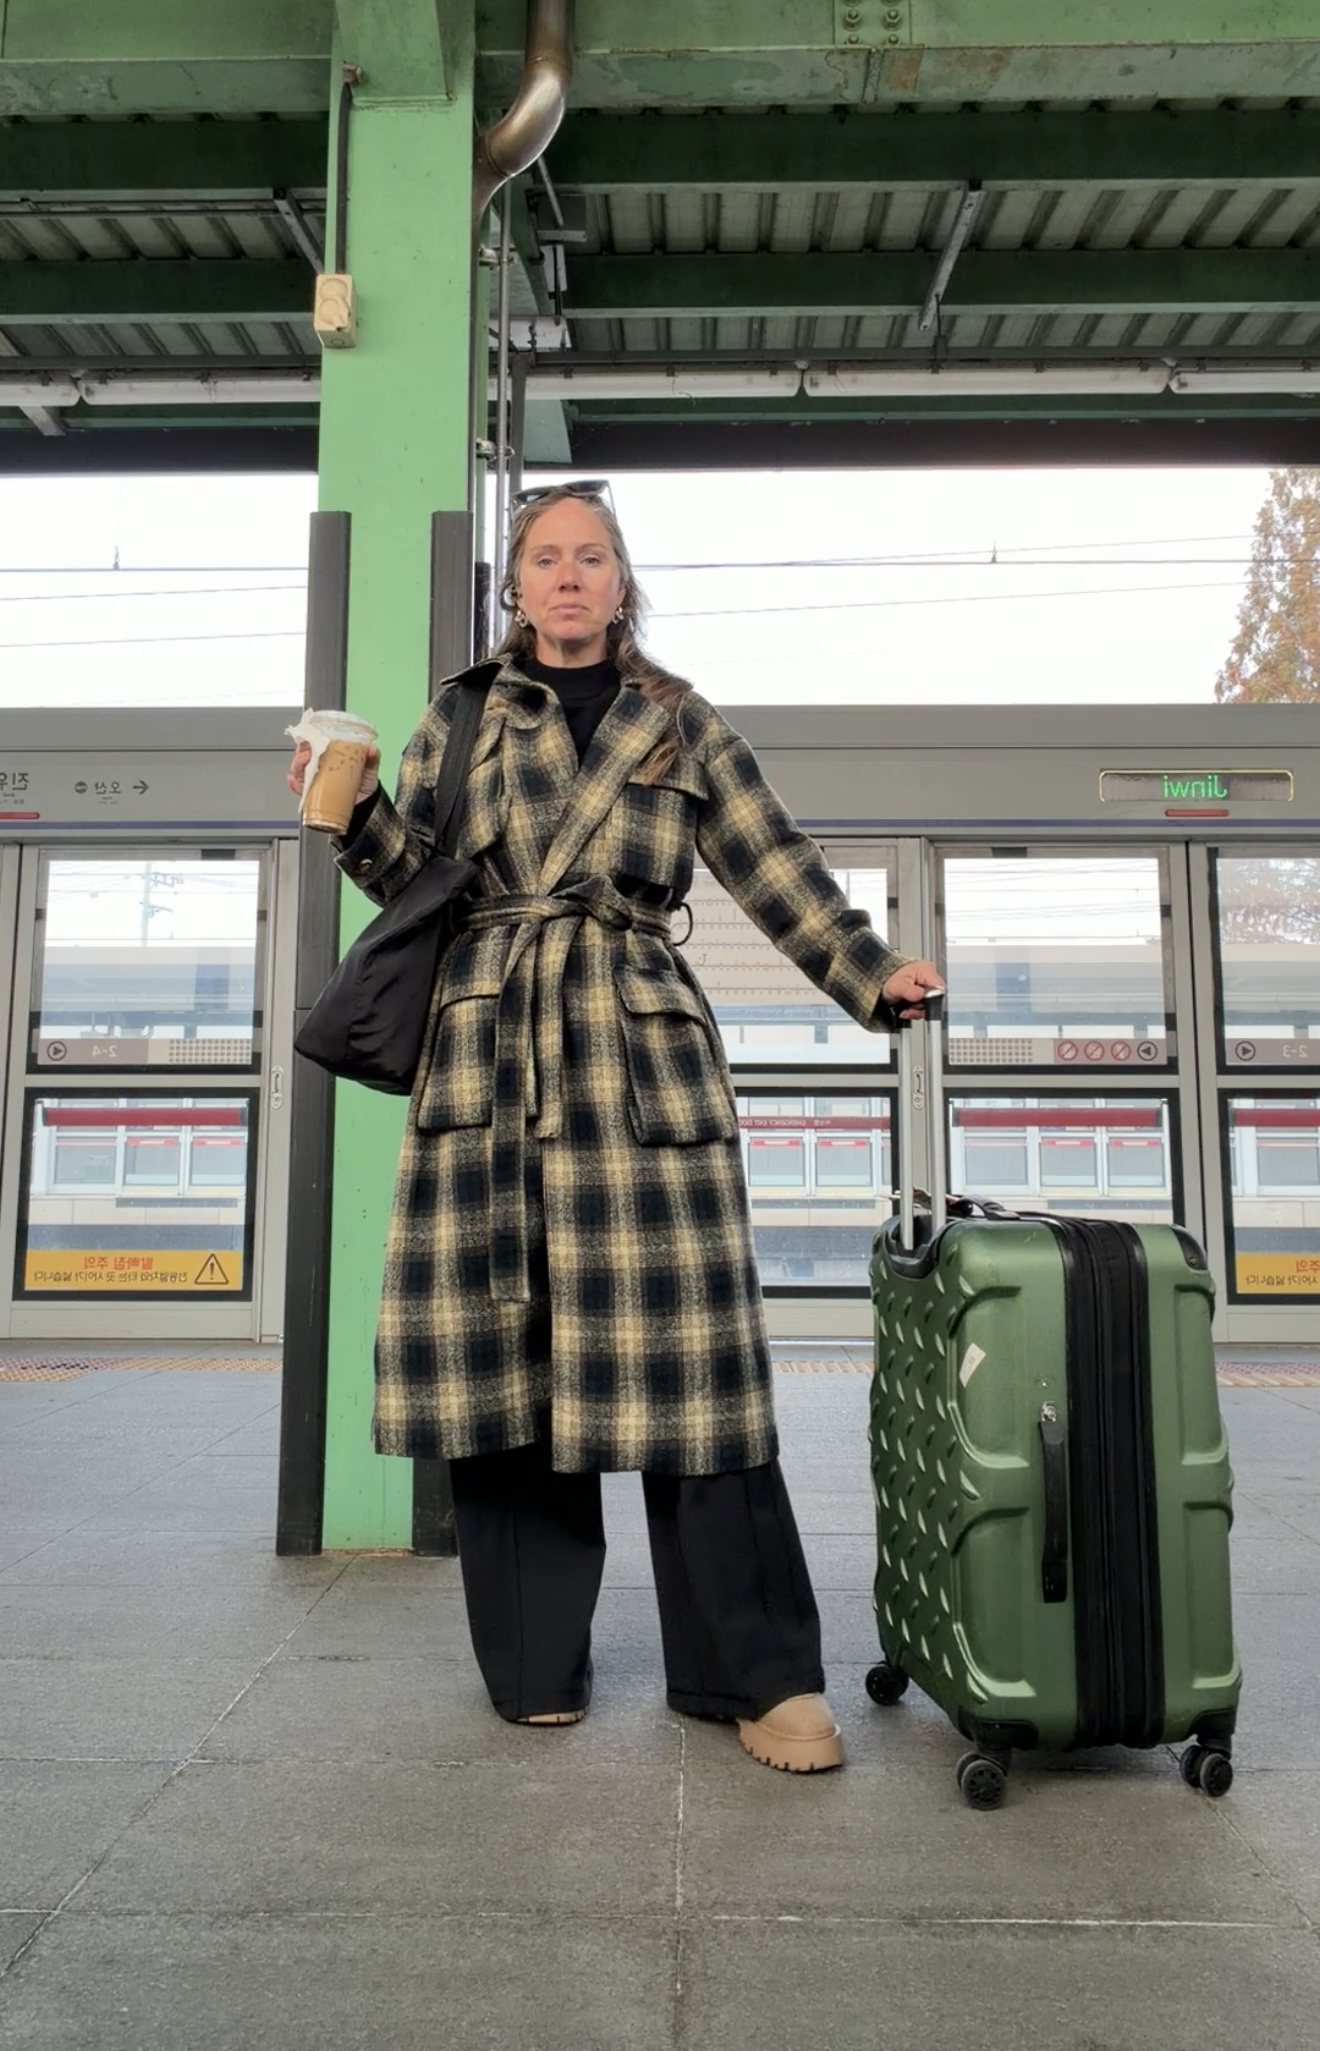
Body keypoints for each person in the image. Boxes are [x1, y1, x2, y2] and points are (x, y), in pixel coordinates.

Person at [287, 482, 942, 1773]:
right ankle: (536, 1661)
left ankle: (754, 1675)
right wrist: (348, 812)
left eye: (592, 555)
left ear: (621, 580)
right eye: (547, 557)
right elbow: (414, 880)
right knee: (508, 1370)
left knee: (699, 1374)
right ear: (516, 586)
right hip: (489, 1050)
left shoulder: (680, 718)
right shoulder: (462, 714)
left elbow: (774, 861)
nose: (570, 574)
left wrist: (868, 971)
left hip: (641, 1047)